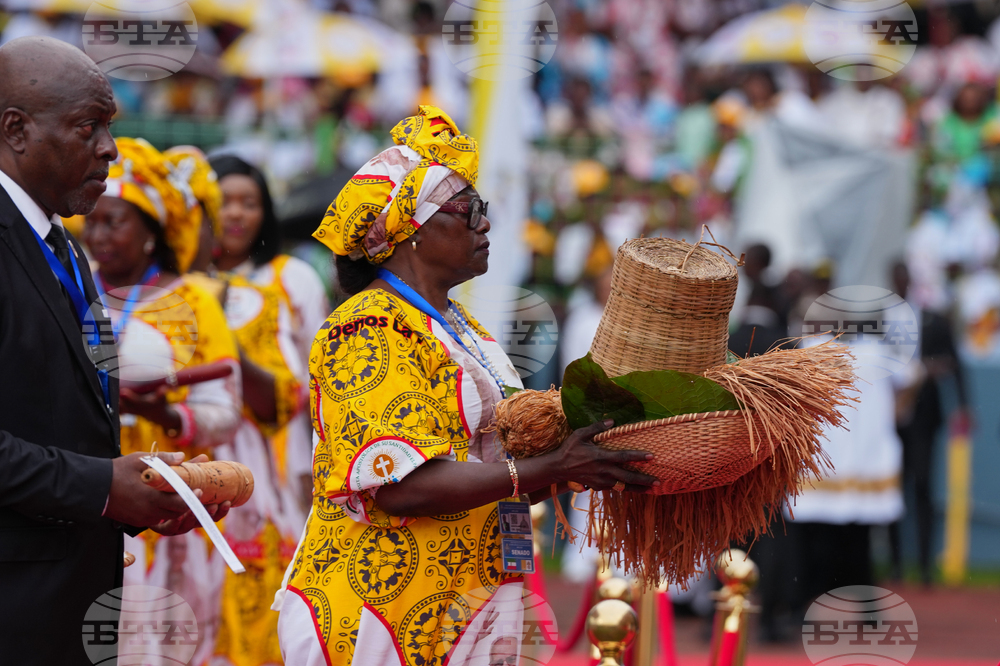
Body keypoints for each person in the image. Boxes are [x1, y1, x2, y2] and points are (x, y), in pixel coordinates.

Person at [275, 106, 657, 665]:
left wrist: (588, 461)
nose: (485, 223)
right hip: (389, 609)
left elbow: (496, 460)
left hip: (470, 596)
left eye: (483, 208)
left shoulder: (459, 327)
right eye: (467, 209)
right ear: (410, 234)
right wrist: (552, 470)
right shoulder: (368, 327)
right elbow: (399, 485)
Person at [0, 36, 227, 664]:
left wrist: (142, 494)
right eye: (88, 126)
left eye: (110, 126)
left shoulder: (66, 248)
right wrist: (104, 486)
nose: (110, 148)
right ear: (16, 130)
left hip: (71, 600)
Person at [81, 136, 242, 662]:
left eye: (116, 221)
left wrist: (161, 413)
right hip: (86, 493)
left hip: (166, 503)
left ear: (151, 232)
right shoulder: (71, 289)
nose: (98, 234)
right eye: (95, 220)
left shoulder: (193, 300)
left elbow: (224, 410)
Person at [209, 154, 330, 515]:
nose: (235, 214)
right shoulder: (177, 285)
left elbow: (321, 376)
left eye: (249, 204)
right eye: (223, 201)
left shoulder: (294, 278)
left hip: (283, 462)